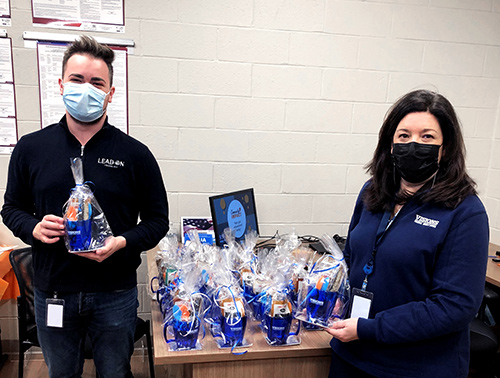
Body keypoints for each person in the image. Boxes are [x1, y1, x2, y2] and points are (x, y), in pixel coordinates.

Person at [1, 35, 169, 378]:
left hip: (115, 293)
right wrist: (32, 227)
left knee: (115, 372)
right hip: (54, 292)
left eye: (97, 82)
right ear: (61, 84)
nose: (86, 89)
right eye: (77, 80)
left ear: (110, 93)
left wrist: (121, 242)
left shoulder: (135, 154)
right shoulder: (31, 148)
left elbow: (157, 221)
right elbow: (11, 207)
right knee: (61, 373)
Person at [326, 89, 489, 378]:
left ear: (445, 148)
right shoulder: (372, 192)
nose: (413, 145)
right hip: (351, 355)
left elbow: (454, 306)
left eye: (427, 137)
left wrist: (369, 329)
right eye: (403, 136)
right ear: (390, 144)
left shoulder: (464, 211)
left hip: (413, 368)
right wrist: (333, 292)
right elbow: (351, 256)